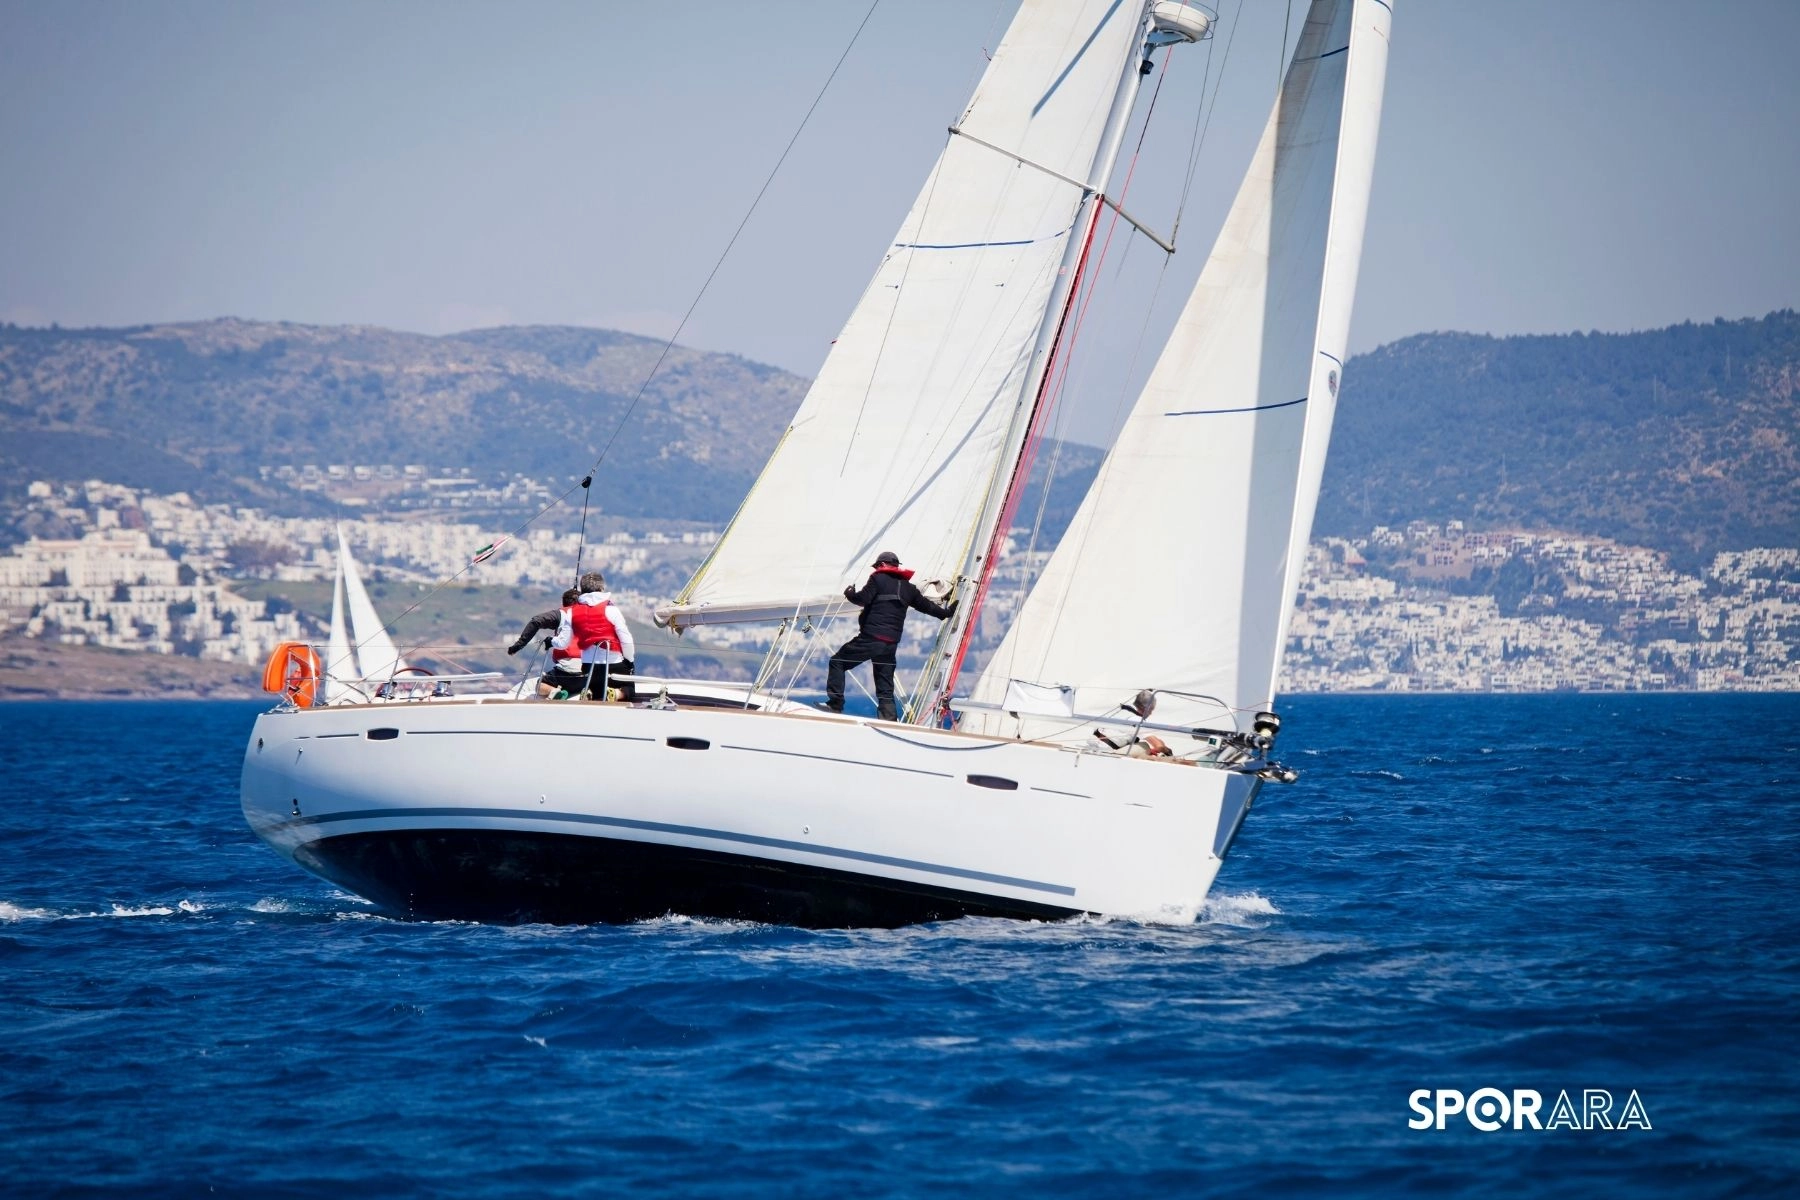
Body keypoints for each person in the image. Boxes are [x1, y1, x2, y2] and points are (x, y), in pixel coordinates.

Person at [824, 550, 955, 721]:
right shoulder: (909, 588)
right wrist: (946, 613)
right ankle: (889, 719)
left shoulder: (877, 578)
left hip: (871, 638)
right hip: (890, 643)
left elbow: (862, 599)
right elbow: (927, 607)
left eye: (878, 565)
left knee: (838, 662)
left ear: (883, 565)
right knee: (884, 684)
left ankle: (835, 705)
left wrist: (850, 594)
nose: (877, 568)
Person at [554, 571, 637, 701]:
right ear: (601, 588)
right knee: (630, 689)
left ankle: (589, 692)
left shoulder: (571, 612)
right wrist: (629, 661)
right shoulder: (611, 610)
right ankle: (616, 694)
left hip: (588, 666)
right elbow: (626, 640)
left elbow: (563, 643)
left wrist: (550, 641)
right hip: (613, 664)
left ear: (582, 590)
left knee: (597, 691)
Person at [507, 588, 584, 698]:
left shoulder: (562, 614)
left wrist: (519, 645)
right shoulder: (589, 614)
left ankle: (554, 692)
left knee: (540, 686)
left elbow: (536, 621)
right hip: (588, 670)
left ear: (563, 603)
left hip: (567, 670)